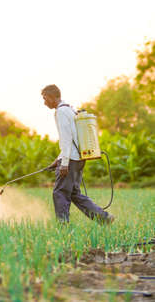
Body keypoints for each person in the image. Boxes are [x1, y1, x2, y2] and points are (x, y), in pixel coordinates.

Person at [41, 84, 114, 224]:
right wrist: (58, 159)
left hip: (71, 160)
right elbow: (72, 138)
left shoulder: (61, 112)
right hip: (78, 158)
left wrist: (64, 163)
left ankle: (62, 226)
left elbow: (67, 139)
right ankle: (103, 218)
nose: (44, 103)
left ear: (52, 97)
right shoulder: (70, 109)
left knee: (60, 193)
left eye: (45, 99)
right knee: (74, 194)